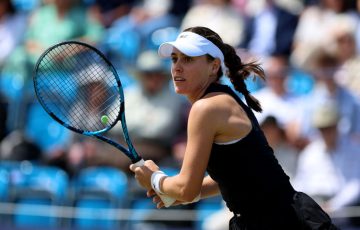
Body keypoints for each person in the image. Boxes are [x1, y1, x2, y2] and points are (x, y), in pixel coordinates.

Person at [129, 26, 339, 229]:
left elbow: (185, 188)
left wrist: (155, 179)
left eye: (188, 59)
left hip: (280, 221)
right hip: (279, 218)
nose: (177, 67)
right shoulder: (222, 101)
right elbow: (235, 176)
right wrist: (179, 193)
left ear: (214, 66)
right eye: (174, 59)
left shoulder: (207, 108)